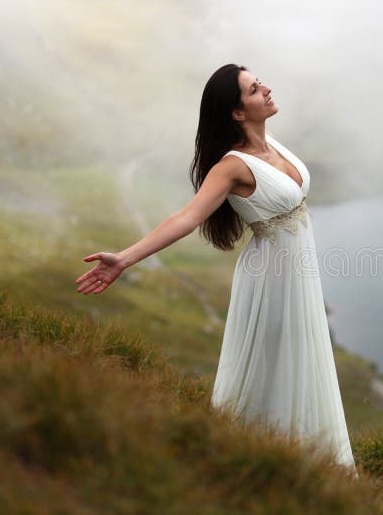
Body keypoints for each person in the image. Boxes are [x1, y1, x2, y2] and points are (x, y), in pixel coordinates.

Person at [75, 63, 358, 478]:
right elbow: (186, 219)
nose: (266, 89)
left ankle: (303, 464)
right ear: (238, 113)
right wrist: (125, 258)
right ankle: (254, 465)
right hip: (271, 281)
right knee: (273, 365)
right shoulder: (231, 166)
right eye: (254, 89)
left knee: (301, 361)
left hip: (298, 276)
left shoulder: (273, 146)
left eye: (260, 82)